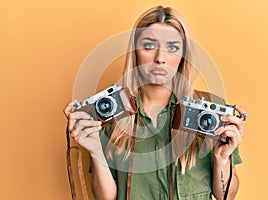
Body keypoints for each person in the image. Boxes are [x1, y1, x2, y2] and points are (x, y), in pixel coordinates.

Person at [64, 6, 247, 200]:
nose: (160, 58)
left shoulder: (210, 112)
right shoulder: (112, 113)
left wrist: (222, 159)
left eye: (173, 48)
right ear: (135, 51)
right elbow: (106, 198)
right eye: (149, 46)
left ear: (184, 56)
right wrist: (95, 150)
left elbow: (226, 196)